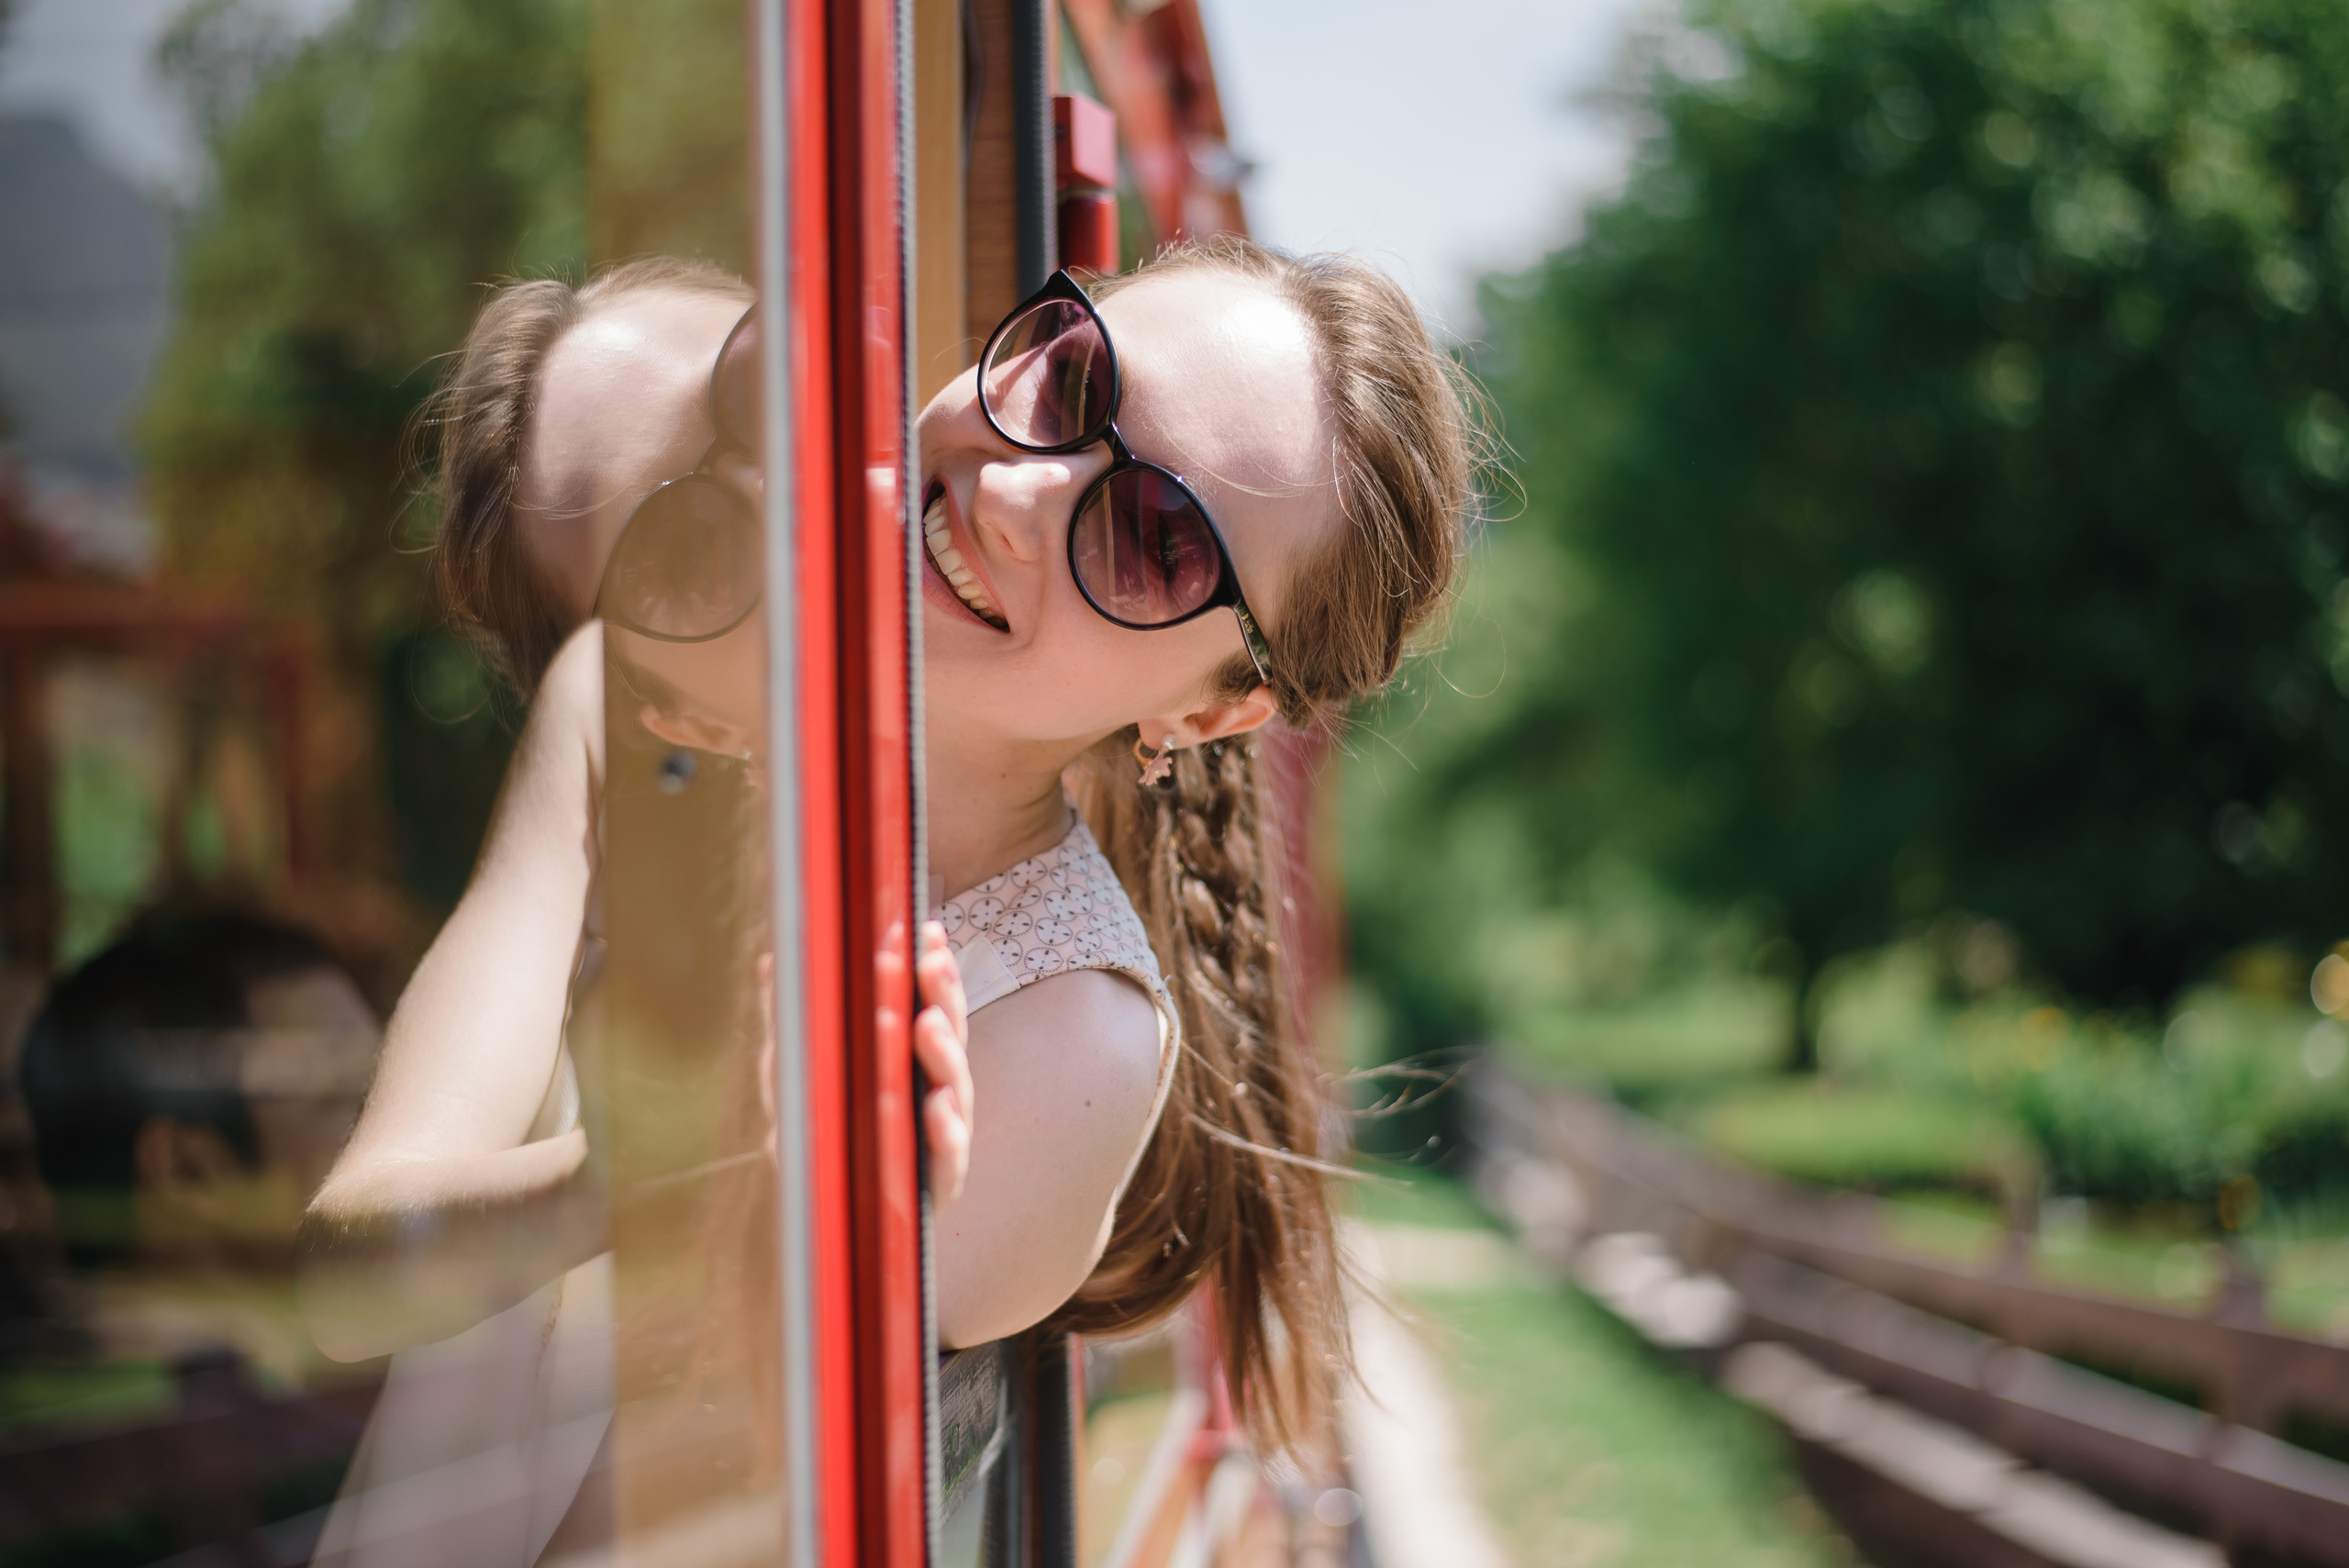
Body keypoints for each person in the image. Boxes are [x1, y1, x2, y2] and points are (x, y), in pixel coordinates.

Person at [298, 236, 1473, 1519]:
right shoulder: (627, 689)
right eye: (1070, 382)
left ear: (1210, 712)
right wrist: (616, 1179)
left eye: (1153, 539)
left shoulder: (1062, 1029)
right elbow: (346, 1281)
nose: (1018, 495)